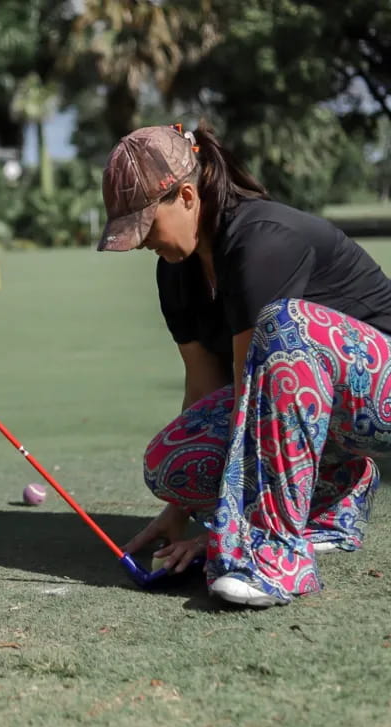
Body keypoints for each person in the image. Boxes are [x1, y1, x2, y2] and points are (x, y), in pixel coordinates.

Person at [97, 122, 391, 607]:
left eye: (146, 225)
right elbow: (206, 389)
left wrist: (226, 533)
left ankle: (274, 554)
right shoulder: (176, 272)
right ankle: (337, 495)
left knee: (285, 324)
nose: (142, 241)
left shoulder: (262, 240)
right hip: (318, 414)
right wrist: (179, 512)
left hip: (380, 398)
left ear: (187, 197)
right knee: (173, 463)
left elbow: (252, 407)